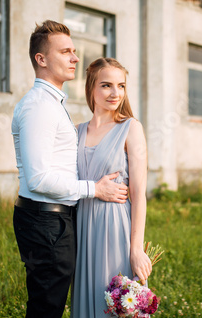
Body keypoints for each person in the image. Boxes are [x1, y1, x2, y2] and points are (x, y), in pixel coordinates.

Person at [12, 21, 128, 318]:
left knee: (48, 303)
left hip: (52, 219)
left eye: (74, 51)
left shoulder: (52, 103)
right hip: (45, 220)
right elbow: (38, 179)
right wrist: (95, 188)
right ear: (41, 59)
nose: (75, 58)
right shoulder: (40, 106)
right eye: (65, 52)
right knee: (46, 308)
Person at [71, 58, 153, 317]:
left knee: (115, 304)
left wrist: (136, 248)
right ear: (91, 88)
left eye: (121, 86)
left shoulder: (131, 128)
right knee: (89, 299)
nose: (115, 93)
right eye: (106, 85)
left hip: (115, 229)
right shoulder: (76, 132)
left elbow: (139, 195)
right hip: (83, 228)